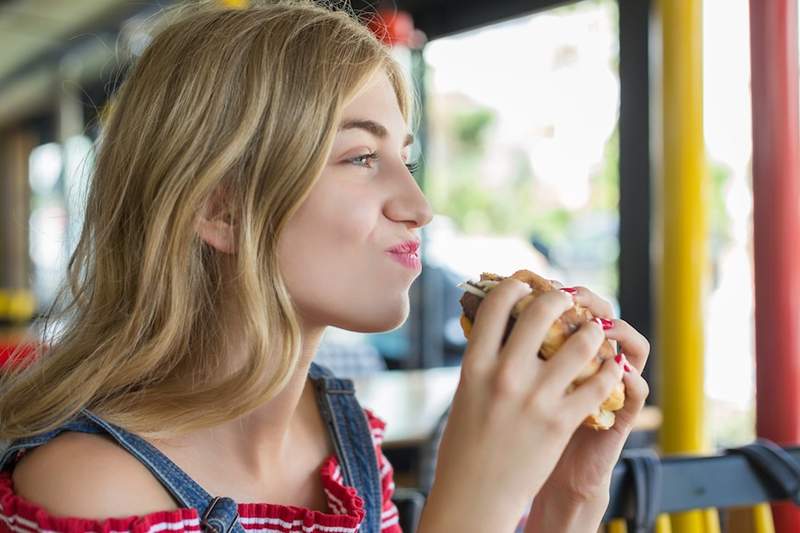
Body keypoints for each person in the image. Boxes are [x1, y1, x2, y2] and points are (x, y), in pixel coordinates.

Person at [0, 1, 650, 532]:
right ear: (221, 209)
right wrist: (471, 507)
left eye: (406, 157)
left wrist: (568, 496)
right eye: (361, 158)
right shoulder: (90, 491)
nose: (419, 206)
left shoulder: (346, 445)